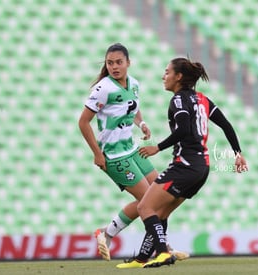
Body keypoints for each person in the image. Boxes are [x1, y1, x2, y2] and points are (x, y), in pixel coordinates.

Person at [118, 57, 248, 268]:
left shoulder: (178, 100)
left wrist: (156, 147)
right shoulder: (203, 99)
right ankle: (142, 258)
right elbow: (226, 125)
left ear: (178, 77)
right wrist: (237, 153)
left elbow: (184, 129)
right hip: (201, 169)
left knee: (144, 207)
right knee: (160, 212)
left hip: (184, 166)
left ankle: (162, 253)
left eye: (167, 72)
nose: (164, 76)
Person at [78, 43, 188, 262]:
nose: (114, 67)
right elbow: (83, 122)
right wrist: (97, 154)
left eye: (119, 62)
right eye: (110, 63)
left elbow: (133, 107)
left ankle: (155, 242)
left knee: (163, 195)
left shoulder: (134, 84)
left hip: (132, 150)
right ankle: (150, 243)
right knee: (148, 202)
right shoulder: (103, 88)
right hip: (114, 156)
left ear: (128, 63)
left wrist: (142, 123)